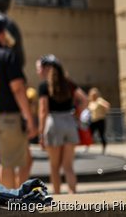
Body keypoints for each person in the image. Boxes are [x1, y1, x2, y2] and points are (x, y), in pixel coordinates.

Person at [0, 14, 37, 189]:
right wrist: (29, 118)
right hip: (9, 117)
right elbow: (18, 89)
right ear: (3, 32)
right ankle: (11, 205)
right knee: (9, 164)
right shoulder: (7, 55)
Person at [37, 55, 87, 194]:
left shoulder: (44, 86)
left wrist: (41, 133)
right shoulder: (69, 83)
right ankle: (73, 195)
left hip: (54, 123)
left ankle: (58, 197)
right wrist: (77, 115)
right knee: (68, 166)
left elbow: (43, 111)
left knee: (54, 167)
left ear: (47, 68)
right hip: (69, 123)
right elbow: (84, 99)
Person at [87, 87, 110, 153]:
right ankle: (87, 147)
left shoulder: (99, 100)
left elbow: (107, 105)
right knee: (89, 134)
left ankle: (104, 148)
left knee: (101, 135)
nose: (93, 96)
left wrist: (104, 112)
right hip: (93, 120)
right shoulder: (91, 102)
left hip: (100, 120)